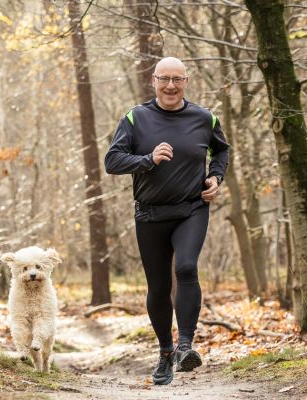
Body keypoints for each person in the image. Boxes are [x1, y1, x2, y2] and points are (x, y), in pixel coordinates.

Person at [104, 57, 229, 385]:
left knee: (186, 267)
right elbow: (112, 161)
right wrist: (147, 159)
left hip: (191, 209)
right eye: (164, 79)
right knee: (158, 286)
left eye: (177, 79)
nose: (171, 86)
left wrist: (216, 177)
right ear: (153, 80)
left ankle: (186, 346)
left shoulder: (204, 117)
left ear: (187, 81)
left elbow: (221, 151)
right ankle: (165, 353)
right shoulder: (136, 117)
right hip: (150, 213)